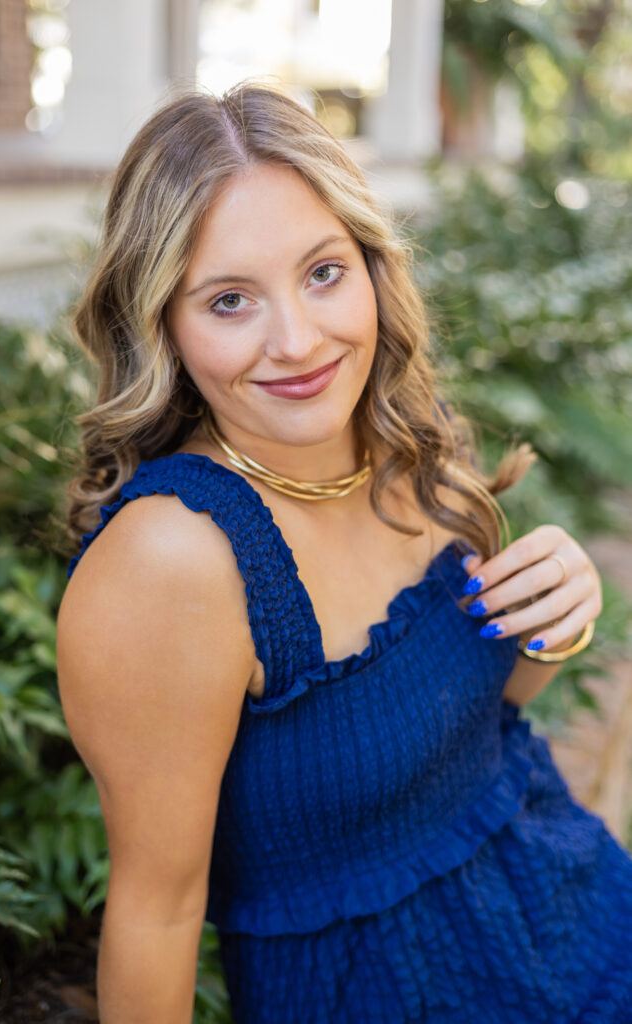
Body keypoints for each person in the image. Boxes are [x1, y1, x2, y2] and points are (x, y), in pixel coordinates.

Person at [55, 82, 632, 1024]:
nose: (298, 341)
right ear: (160, 323)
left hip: (584, 927)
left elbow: (470, 726)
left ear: (370, 265)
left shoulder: (405, 441)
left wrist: (551, 618)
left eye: (322, 272)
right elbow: (157, 917)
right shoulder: (175, 561)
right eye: (230, 300)